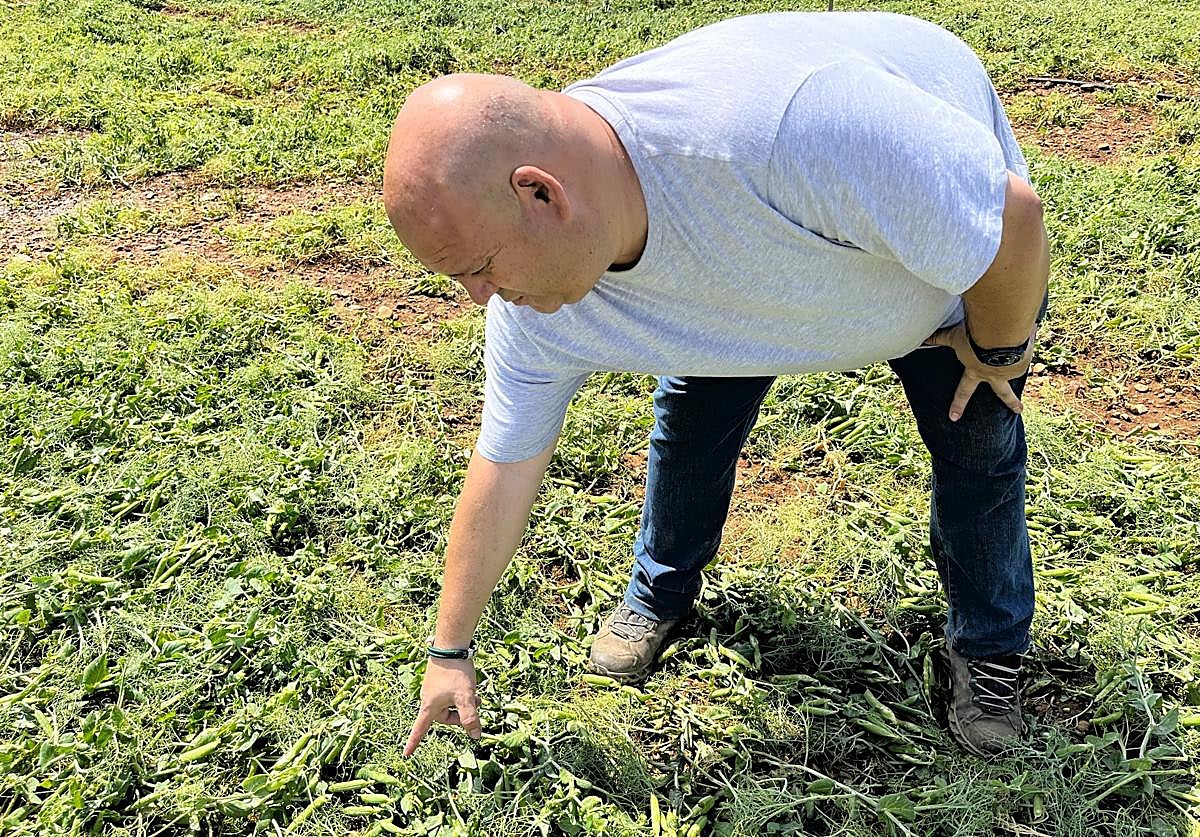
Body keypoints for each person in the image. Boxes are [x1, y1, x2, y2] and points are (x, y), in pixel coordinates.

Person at [384, 10, 1050, 758]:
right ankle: (659, 590)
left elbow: (1011, 223)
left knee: (979, 436)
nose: (480, 300)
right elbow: (504, 464)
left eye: (478, 269)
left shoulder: (794, 130)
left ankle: (990, 647)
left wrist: (999, 349)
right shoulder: (535, 296)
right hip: (759, 256)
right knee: (694, 413)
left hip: (919, 273)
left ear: (542, 194)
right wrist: (449, 651)